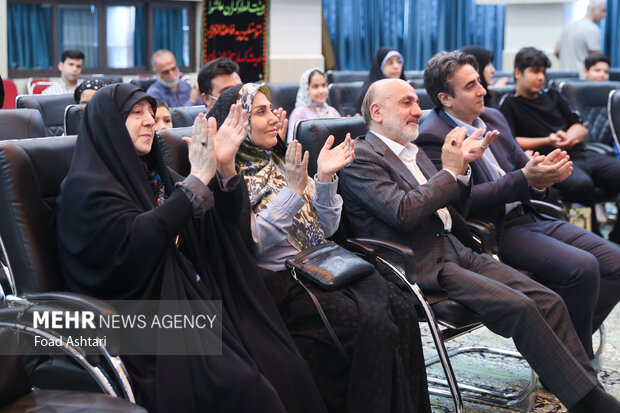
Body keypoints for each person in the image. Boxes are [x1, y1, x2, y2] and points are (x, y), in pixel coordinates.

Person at [339, 77, 620, 413]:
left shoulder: (412, 150)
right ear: (377, 112)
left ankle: (584, 386)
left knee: (548, 300)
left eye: (416, 102)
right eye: (407, 103)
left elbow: (454, 207)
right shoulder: (360, 157)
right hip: (422, 265)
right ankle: (591, 403)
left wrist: (462, 171)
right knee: (522, 307)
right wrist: (449, 170)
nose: (418, 110)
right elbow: (403, 212)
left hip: (459, 249)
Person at [56, 83, 328, 413]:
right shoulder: (84, 190)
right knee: (244, 385)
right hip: (133, 320)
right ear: (109, 125)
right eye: (136, 113)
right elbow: (134, 247)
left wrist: (226, 169)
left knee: (281, 360)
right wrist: (197, 176)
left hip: (189, 299)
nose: (149, 122)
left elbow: (220, 230)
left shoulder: (154, 175)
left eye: (151, 113)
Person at [208, 83, 432, 413]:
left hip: (321, 266)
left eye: (270, 109)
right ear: (235, 124)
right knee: (370, 325)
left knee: (399, 307)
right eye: (260, 112)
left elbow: (324, 228)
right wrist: (293, 194)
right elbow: (250, 244)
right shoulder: (226, 176)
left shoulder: (281, 163)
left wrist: (324, 178)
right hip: (280, 284)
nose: (272, 118)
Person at [416, 50, 620, 361]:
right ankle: (572, 360)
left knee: (616, 261)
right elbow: (460, 203)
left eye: (480, 82)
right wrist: (524, 178)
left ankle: (560, 350)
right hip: (493, 232)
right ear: (445, 97)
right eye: (471, 86)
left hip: (531, 216)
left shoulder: (493, 117)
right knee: (584, 267)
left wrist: (543, 173)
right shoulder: (434, 137)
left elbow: (523, 168)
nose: (484, 90)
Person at [500, 46, 620, 242]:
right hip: (549, 159)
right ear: (518, 72)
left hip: (580, 152)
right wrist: (549, 140)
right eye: (535, 71)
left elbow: (580, 127)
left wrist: (569, 137)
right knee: (581, 184)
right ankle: (591, 236)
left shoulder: (552, 96)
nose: (540, 77)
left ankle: (616, 235)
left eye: (543, 72)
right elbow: (511, 141)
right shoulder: (509, 103)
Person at [286, 68, 341, 143]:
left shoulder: (333, 111)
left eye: (324, 85)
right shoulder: (299, 113)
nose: (321, 91)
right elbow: (292, 144)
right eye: (315, 86)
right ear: (306, 89)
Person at [556, 0, 607, 72]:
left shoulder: (568, 26)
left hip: (563, 74)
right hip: (581, 77)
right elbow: (596, 59)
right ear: (593, 9)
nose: (605, 15)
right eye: (603, 11)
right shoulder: (592, 29)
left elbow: (556, 51)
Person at [355, 46, 407, 114]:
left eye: (399, 62)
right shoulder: (370, 91)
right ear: (380, 66)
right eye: (390, 63)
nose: (396, 66)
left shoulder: (406, 88)